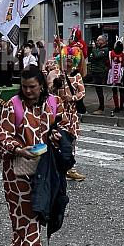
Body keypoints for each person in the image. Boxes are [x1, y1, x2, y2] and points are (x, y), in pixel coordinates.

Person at [0, 66, 67, 246]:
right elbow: (2, 136)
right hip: (16, 171)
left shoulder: (54, 103)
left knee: (33, 216)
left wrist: (59, 135)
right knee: (27, 219)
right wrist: (18, 148)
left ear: (42, 85)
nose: (28, 91)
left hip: (45, 170)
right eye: (24, 87)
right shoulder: (12, 105)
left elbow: (66, 127)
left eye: (33, 87)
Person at [49, 54, 86, 182]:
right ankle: (58, 166)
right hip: (59, 111)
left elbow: (82, 92)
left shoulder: (77, 75)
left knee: (72, 138)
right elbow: (50, 90)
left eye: (71, 57)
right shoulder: (56, 73)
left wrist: (72, 98)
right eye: (66, 57)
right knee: (57, 137)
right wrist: (58, 82)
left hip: (72, 112)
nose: (69, 59)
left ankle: (70, 168)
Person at [88, 34, 110, 114]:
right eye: (96, 40)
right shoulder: (97, 49)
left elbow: (96, 56)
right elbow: (91, 57)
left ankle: (101, 108)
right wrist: (93, 51)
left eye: (98, 40)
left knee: (99, 90)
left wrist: (94, 49)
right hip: (93, 71)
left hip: (100, 72)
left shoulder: (105, 49)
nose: (97, 42)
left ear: (103, 41)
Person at [108, 40, 124, 116]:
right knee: (121, 90)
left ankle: (117, 106)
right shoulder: (123, 54)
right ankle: (121, 106)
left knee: (114, 90)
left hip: (113, 73)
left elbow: (108, 63)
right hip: (121, 73)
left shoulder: (111, 53)